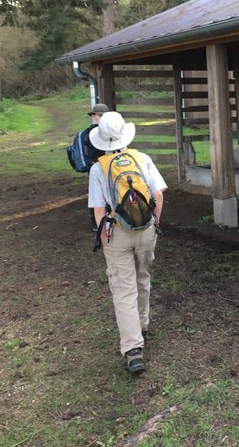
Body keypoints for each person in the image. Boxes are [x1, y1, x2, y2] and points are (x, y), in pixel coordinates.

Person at [87, 111, 166, 374]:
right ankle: (142, 323)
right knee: (142, 275)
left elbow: (98, 209)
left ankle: (134, 349)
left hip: (116, 233)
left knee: (123, 288)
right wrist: (154, 222)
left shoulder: (98, 168)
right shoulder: (142, 159)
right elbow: (157, 194)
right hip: (146, 230)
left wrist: (104, 237)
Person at [84, 103, 109, 229]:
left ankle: (99, 221)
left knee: (98, 193)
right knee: (98, 194)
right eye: (98, 115)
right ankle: (97, 222)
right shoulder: (94, 132)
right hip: (98, 165)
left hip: (96, 165)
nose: (98, 117)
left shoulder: (90, 131)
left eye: (102, 115)